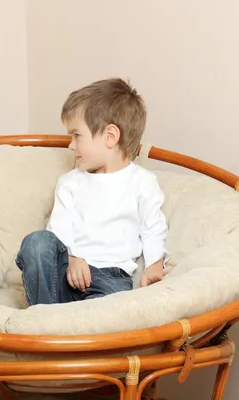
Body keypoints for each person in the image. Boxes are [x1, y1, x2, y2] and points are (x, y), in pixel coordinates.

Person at [15, 78, 169, 306]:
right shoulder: (70, 183)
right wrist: (73, 257)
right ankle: (45, 319)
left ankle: (67, 328)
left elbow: (153, 228)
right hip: (67, 274)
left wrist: (155, 265)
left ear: (110, 137)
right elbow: (58, 230)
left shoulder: (142, 182)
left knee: (110, 311)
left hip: (111, 279)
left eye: (76, 135)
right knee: (38, 241)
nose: (70, 145)